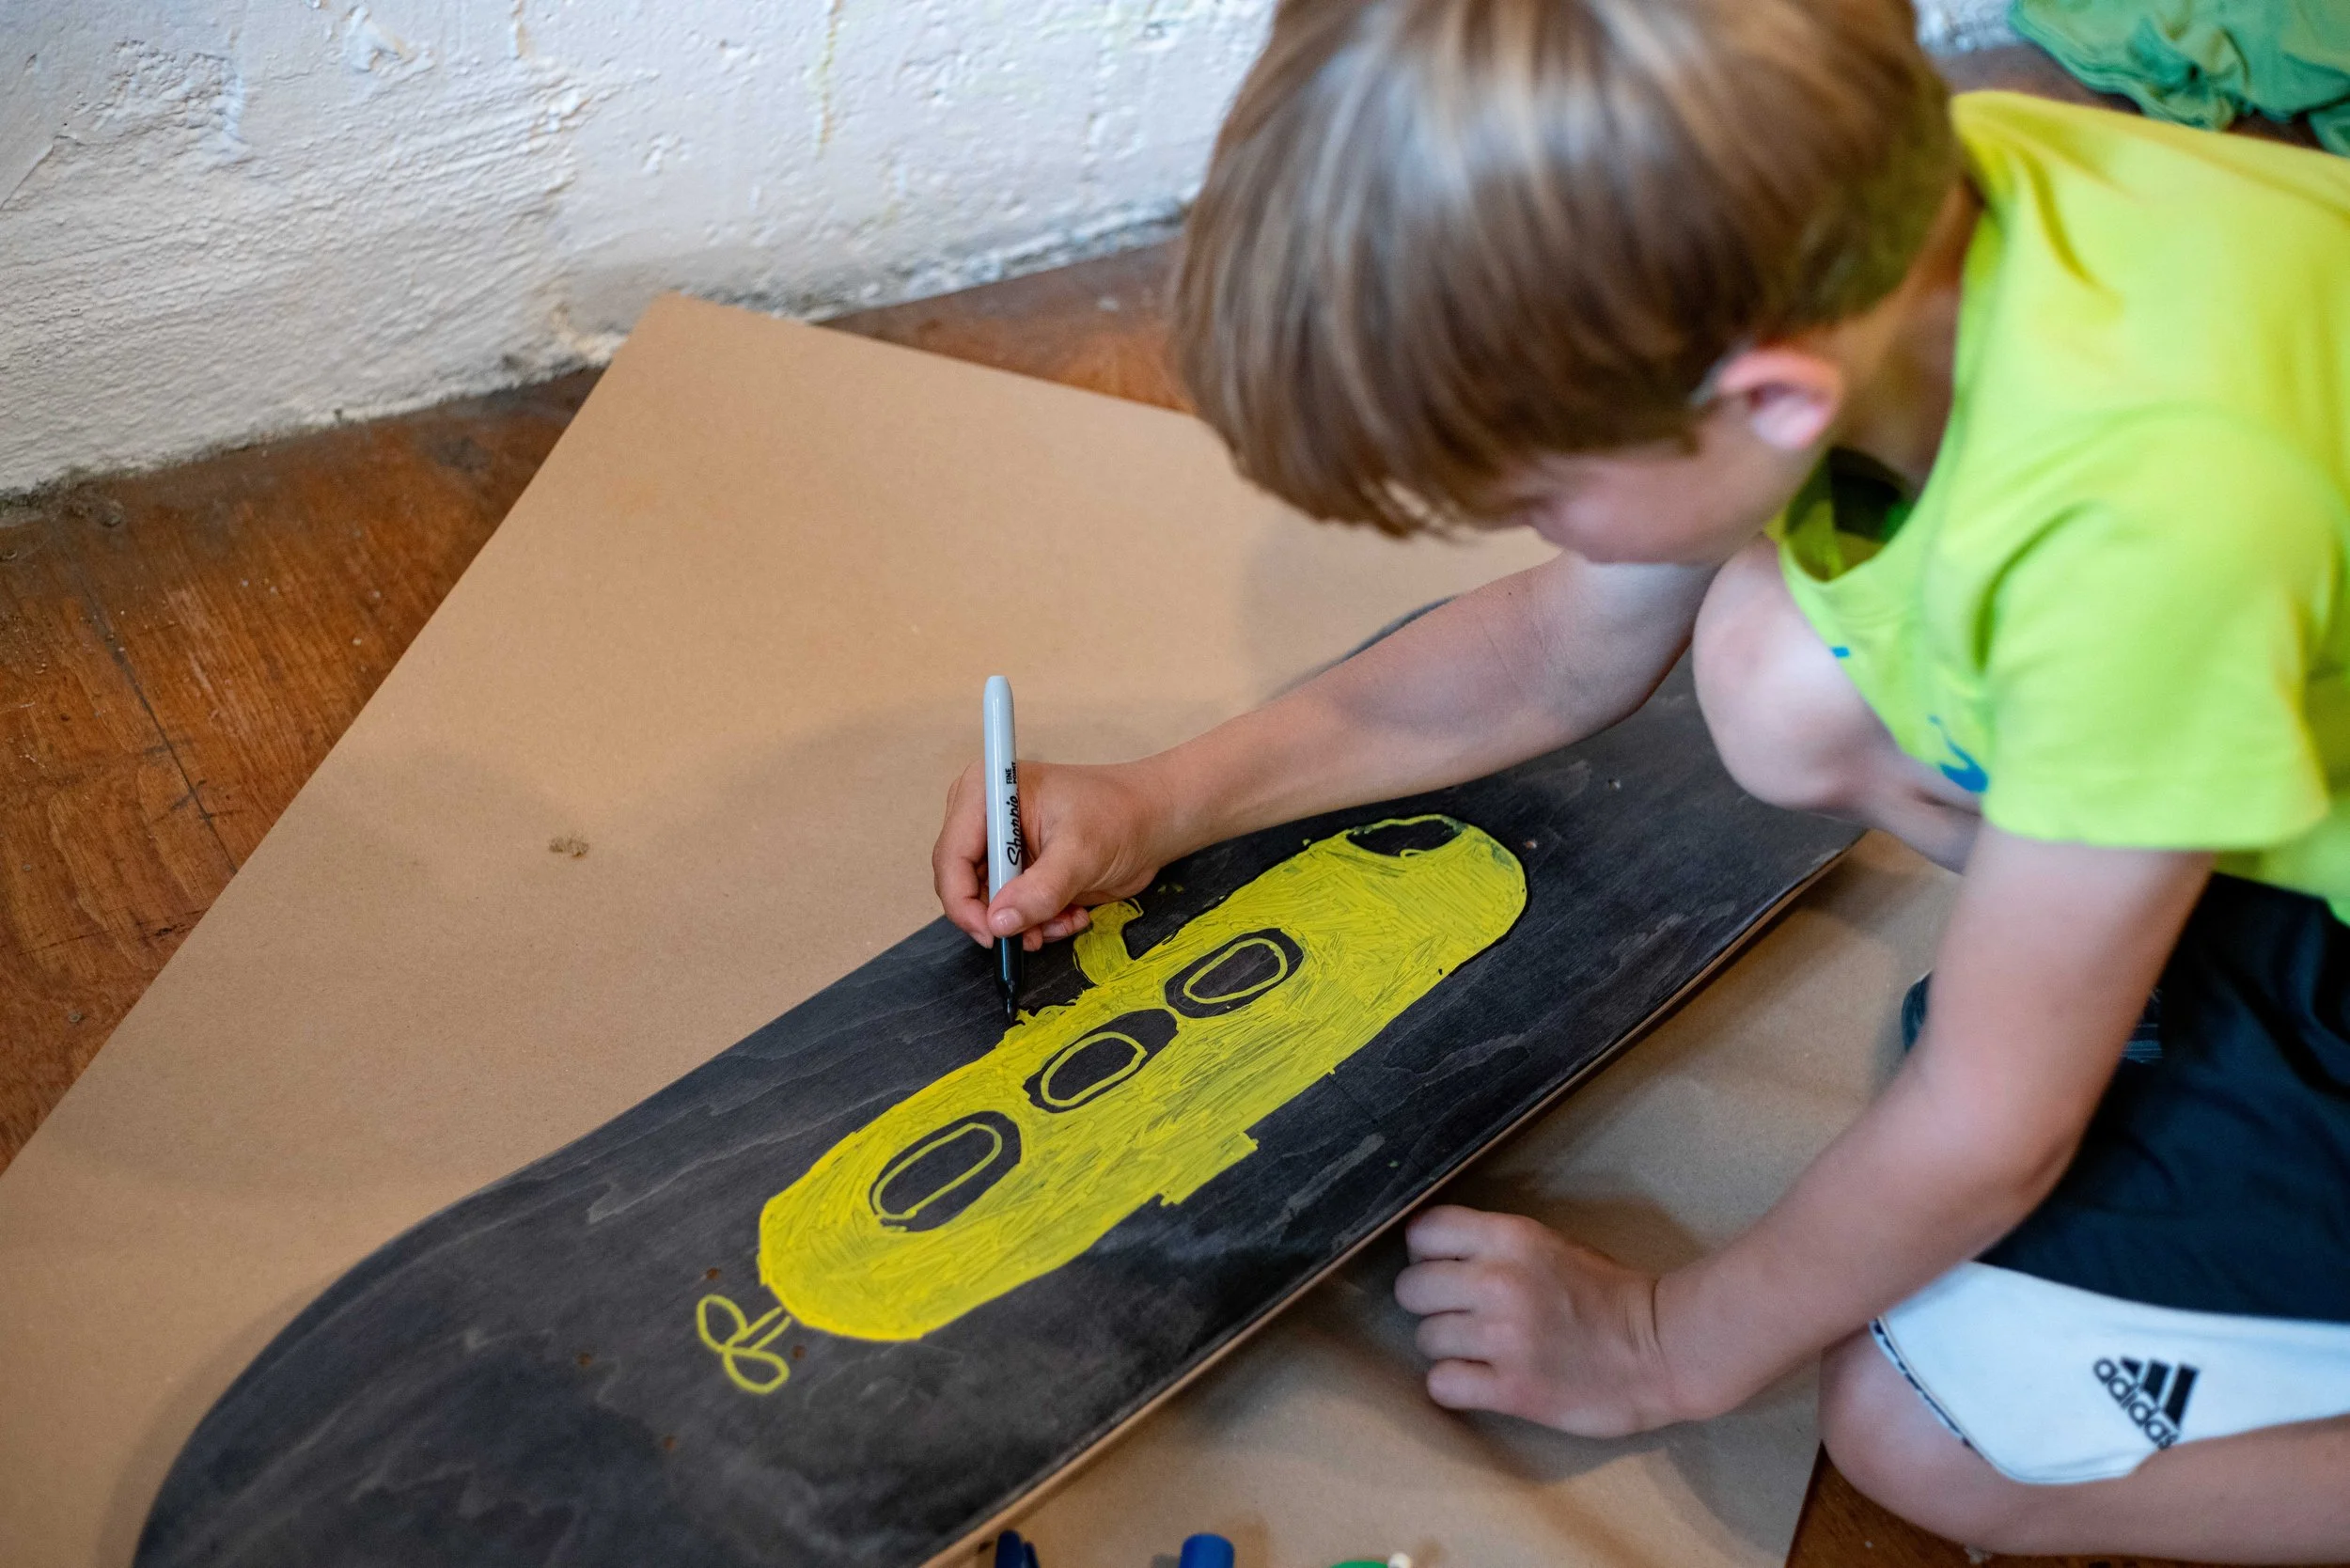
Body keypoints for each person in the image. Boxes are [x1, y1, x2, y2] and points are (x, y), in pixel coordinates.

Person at [931, 0, 2350, 1557]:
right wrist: (1165, 801)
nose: (1542, 536)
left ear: (1766, 397)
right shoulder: (1877, 226)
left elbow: (1994, 1127)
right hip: (2238, 711)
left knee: (1916, 1429)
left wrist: (1673, 1343)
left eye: (1543, 490)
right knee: (1766, 652)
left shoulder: (2146, 538)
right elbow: (1557, 651)